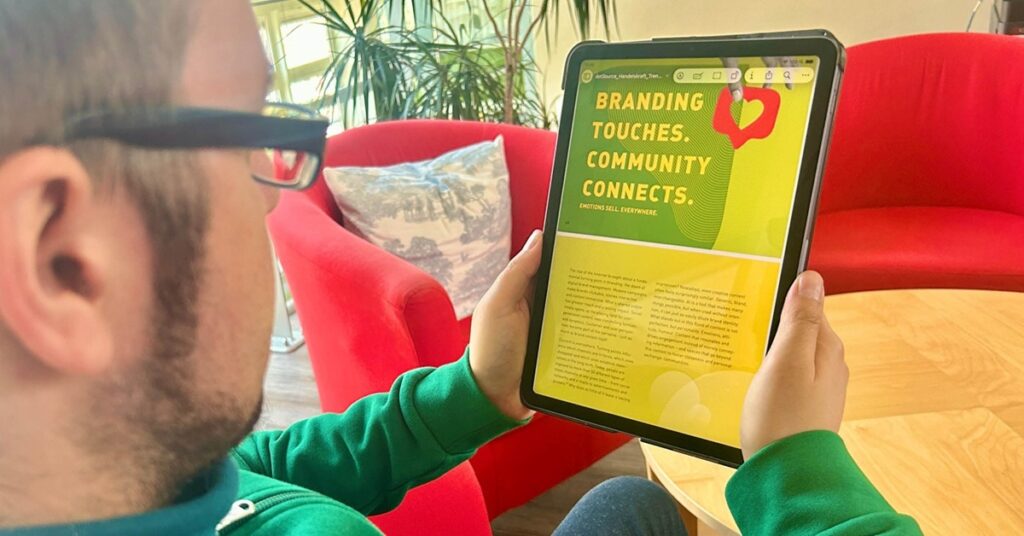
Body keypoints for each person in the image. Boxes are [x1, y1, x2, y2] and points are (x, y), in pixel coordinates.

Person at [0, 1, 920, 535]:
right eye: (242, 141)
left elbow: (264, 467)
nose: (269, 203)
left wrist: (474, 389)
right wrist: (803, 476)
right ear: (63, 260)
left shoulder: (127, 465)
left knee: (625, 506)